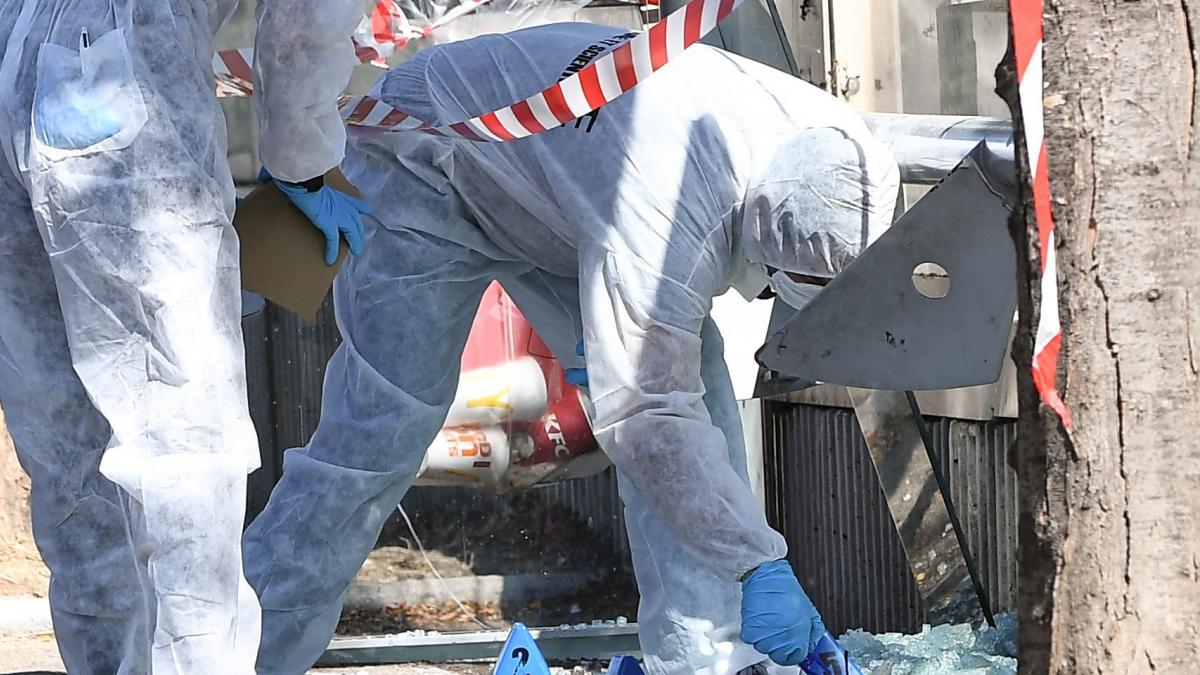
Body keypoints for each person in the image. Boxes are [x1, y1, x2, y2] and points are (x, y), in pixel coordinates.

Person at [243, 21, 899, 675]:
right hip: (425, 156)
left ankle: (707, 660)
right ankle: (243, 653)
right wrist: (757, 562)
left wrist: (750, 553)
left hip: (553, 187)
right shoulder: (671, 206)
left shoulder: (855, 163)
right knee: (376, 437)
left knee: (693, 406)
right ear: (758, 228)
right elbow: (648, 417)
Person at [0, 0, 369, 672]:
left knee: (66, 446)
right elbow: (304, 20)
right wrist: (303, 160)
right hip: (113, 68)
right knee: (185, 441)